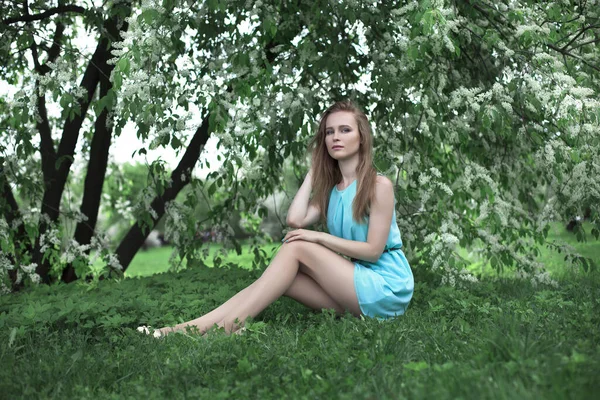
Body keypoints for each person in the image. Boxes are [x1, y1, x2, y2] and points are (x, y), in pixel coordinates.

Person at [138, 100, 414, 338]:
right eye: (329, 132)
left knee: (296, 246)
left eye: (345, 130)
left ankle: (228, 327)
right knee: (279, 280)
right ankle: (178, 330)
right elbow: (295, 219)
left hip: (386, 286)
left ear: (361, 137)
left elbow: (373, 251)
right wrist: (314, 173)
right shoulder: (332, 191)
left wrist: (317, 236)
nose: (335, 138)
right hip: (357, 285)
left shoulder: (379, 186)